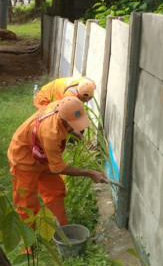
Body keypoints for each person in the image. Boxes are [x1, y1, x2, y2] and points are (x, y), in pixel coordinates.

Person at [7, 96, 107, 228]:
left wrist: (75, 132)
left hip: (43, 157)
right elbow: (58, 168)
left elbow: (64, 125)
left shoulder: (61, 107)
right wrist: (89, 173)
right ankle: (27, 246)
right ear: (63, 120)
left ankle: (61, 233)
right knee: (26, 204)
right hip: (23, 159)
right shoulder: (51, 134)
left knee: (54, 192)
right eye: (72, 125)